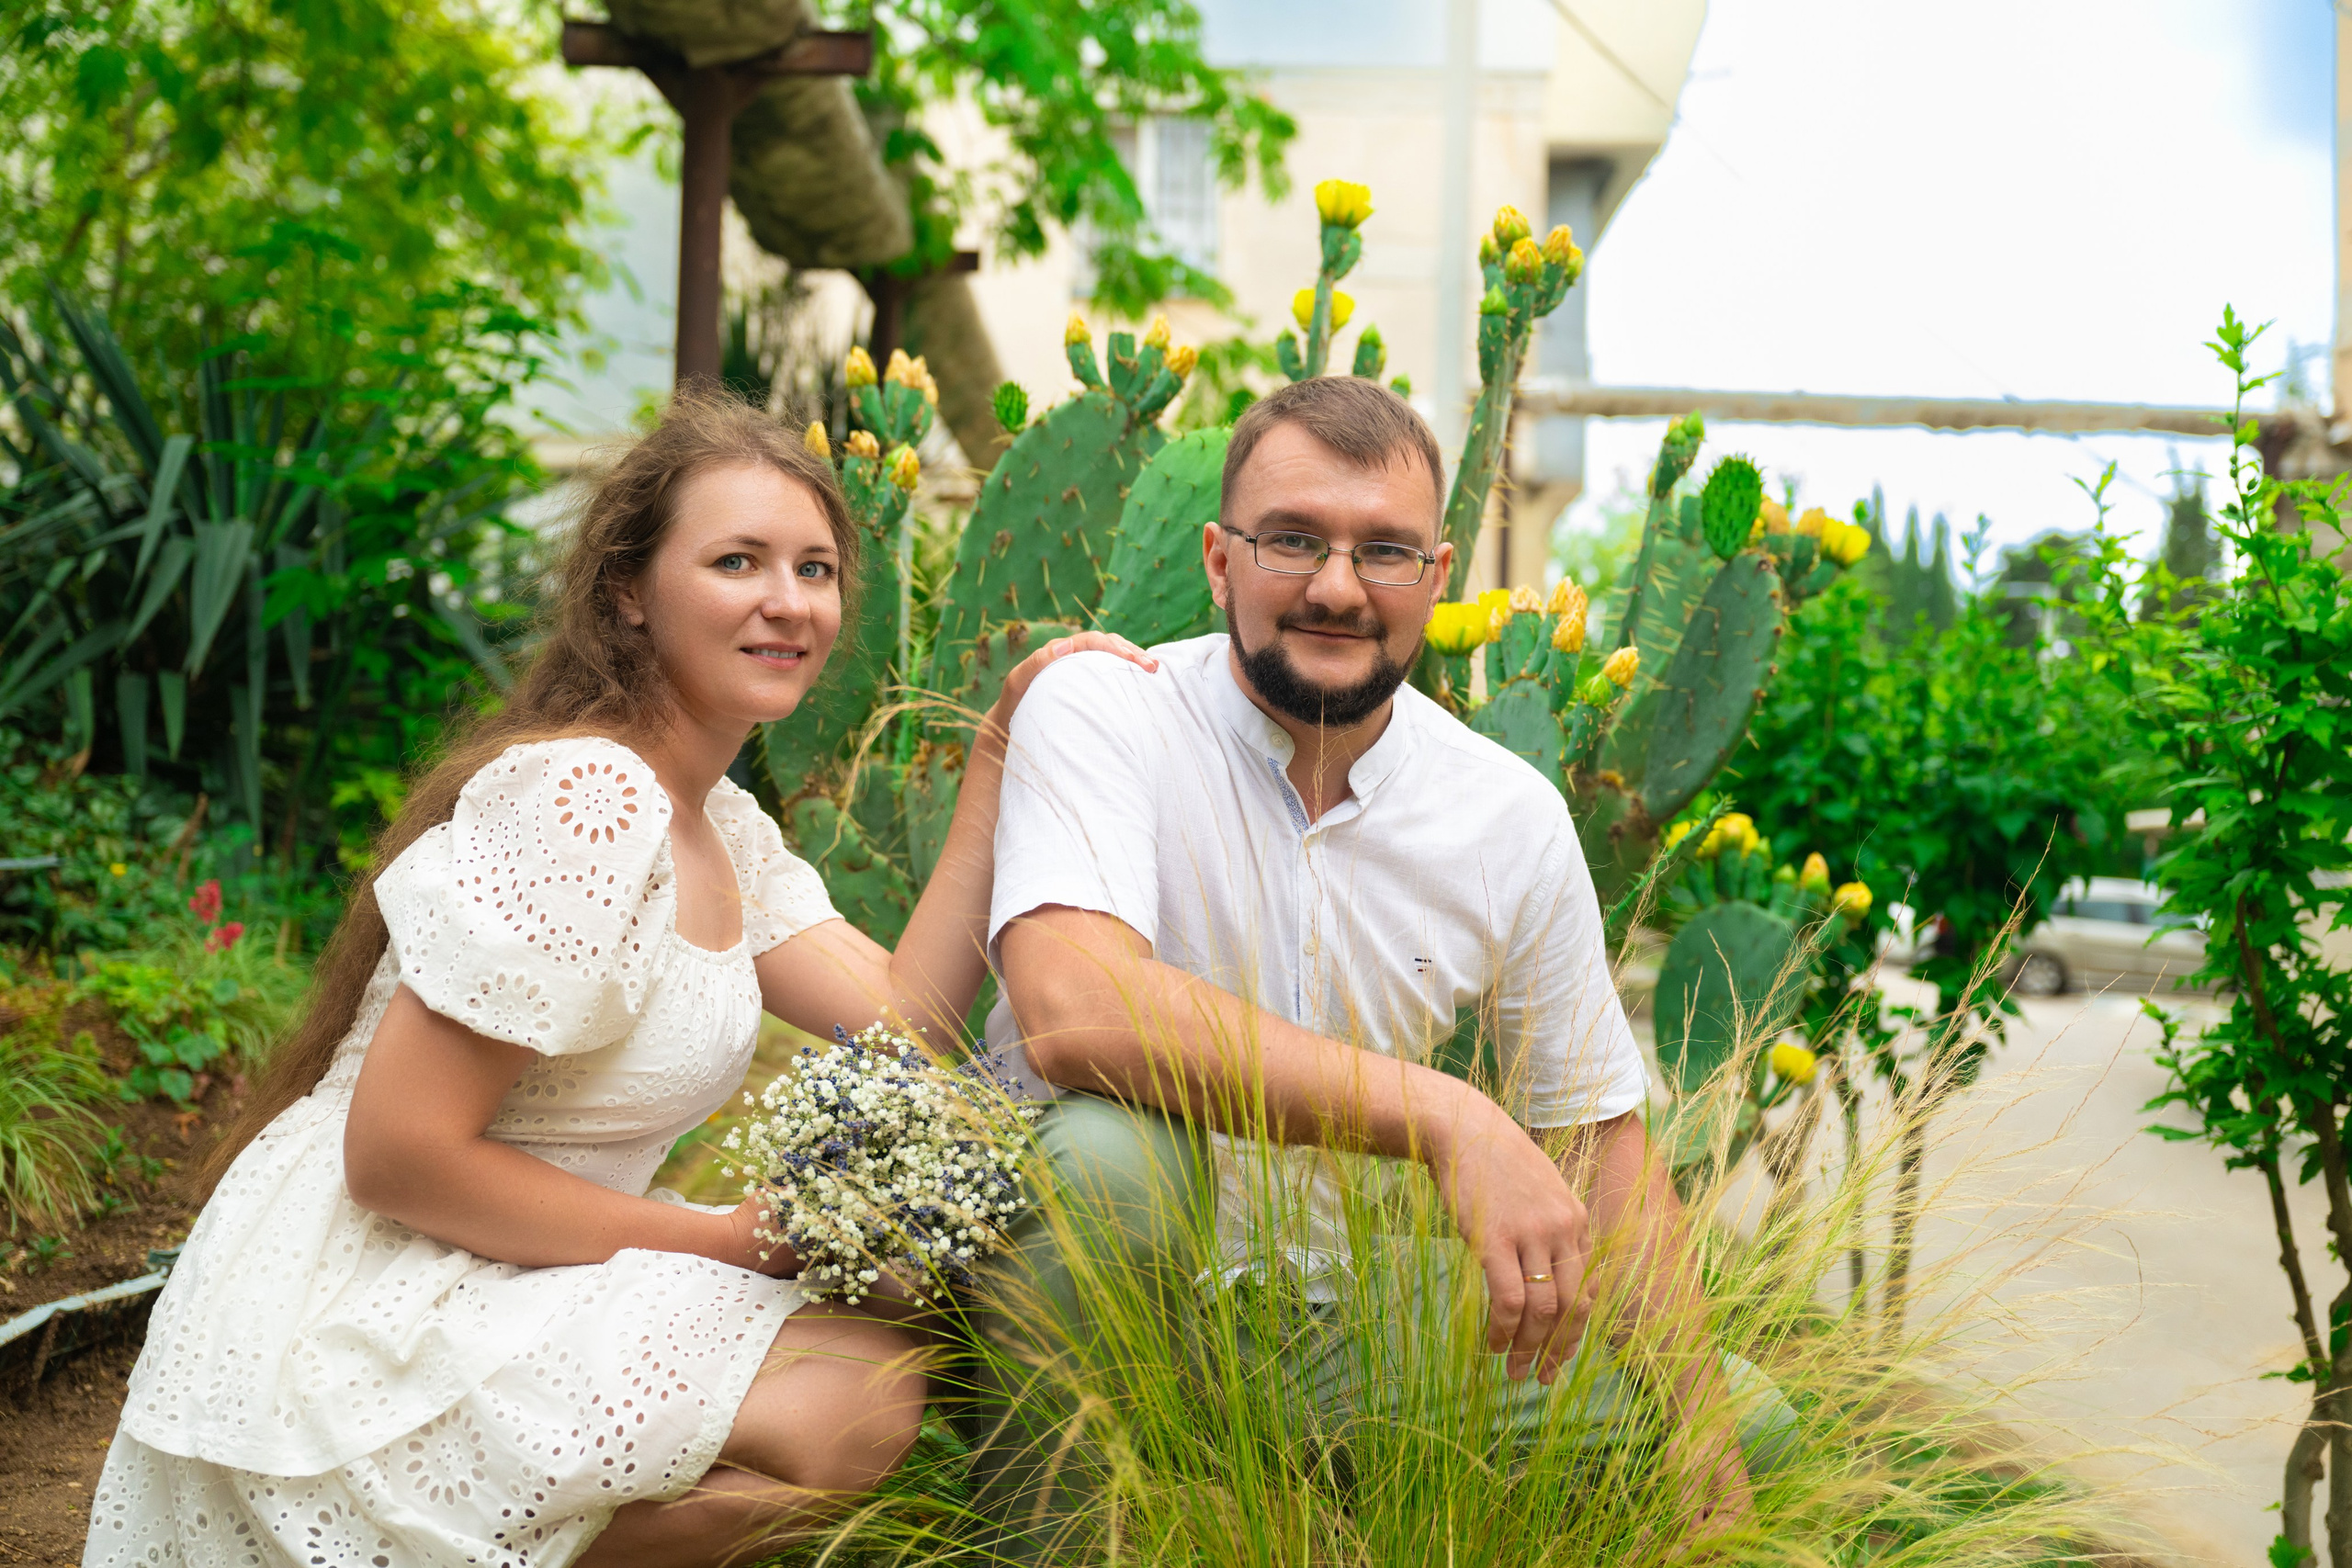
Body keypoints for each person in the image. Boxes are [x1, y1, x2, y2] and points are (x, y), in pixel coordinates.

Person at [83, 389, 1154, 1568]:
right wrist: (724, 1241)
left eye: (813, 568)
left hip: (521, 1262)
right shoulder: (588, 802)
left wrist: (998, 757)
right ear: (628, 593)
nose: (786, 602)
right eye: (736, 562)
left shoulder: (721, 827)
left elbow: (909, 1017)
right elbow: (396, 1157)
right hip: (372, 1293)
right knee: (851, 1398)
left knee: (888, 1356)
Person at [954, 375, 1787, 1559]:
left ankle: (1312, 1510)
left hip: (1332, 1323)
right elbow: (1073, 1007)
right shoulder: (1106, 711)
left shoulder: (1504, 813)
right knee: (1109, 1156)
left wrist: (1706, 1467)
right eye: (1295, 540)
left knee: (1749, 1429)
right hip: (1088, 1306)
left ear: (1436, 580)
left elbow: (1599, 1144)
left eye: (1384, 552)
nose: (1340, 589)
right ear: (1216, 559)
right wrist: (1447, 1117)